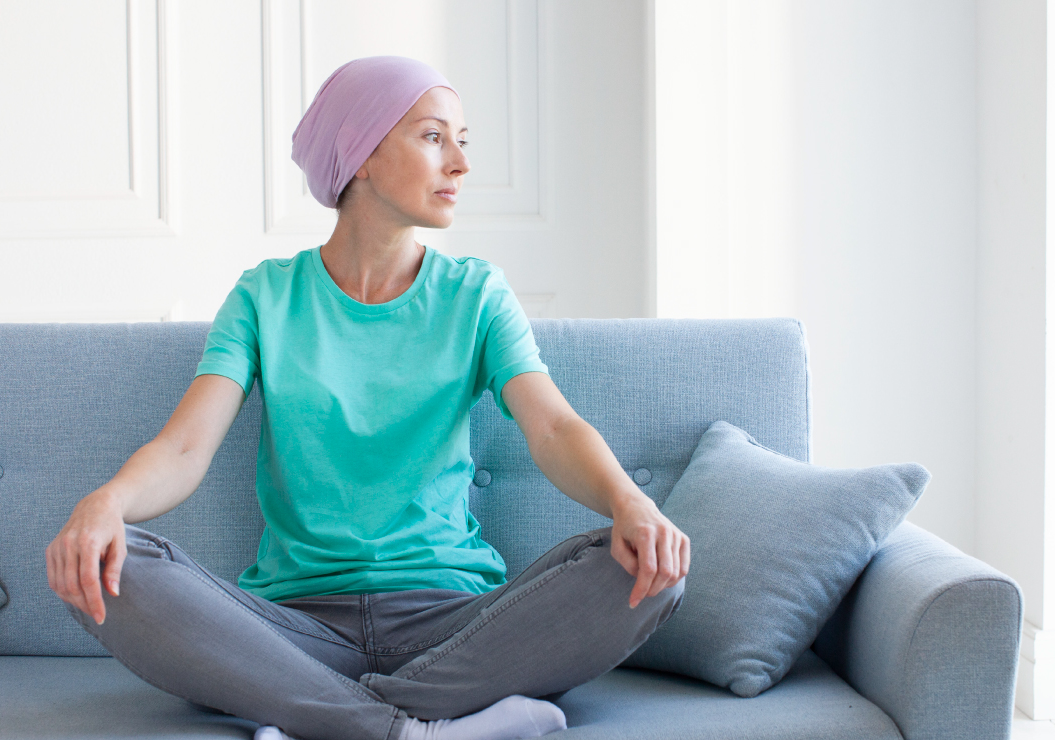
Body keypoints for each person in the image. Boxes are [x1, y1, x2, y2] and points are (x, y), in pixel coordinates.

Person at [46, 55, 689, 740]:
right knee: (110, 569)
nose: (461, 166)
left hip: (454, 624)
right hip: (294, 627)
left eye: (462, 141)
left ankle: (317, 715)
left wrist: (631, 502)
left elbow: (554, 428)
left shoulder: (476, 294)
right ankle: (417, 726)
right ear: (361, 152)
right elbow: (183, 447)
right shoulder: (265, 296)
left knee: (649, 571)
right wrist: (104, 504)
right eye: (434, 137)